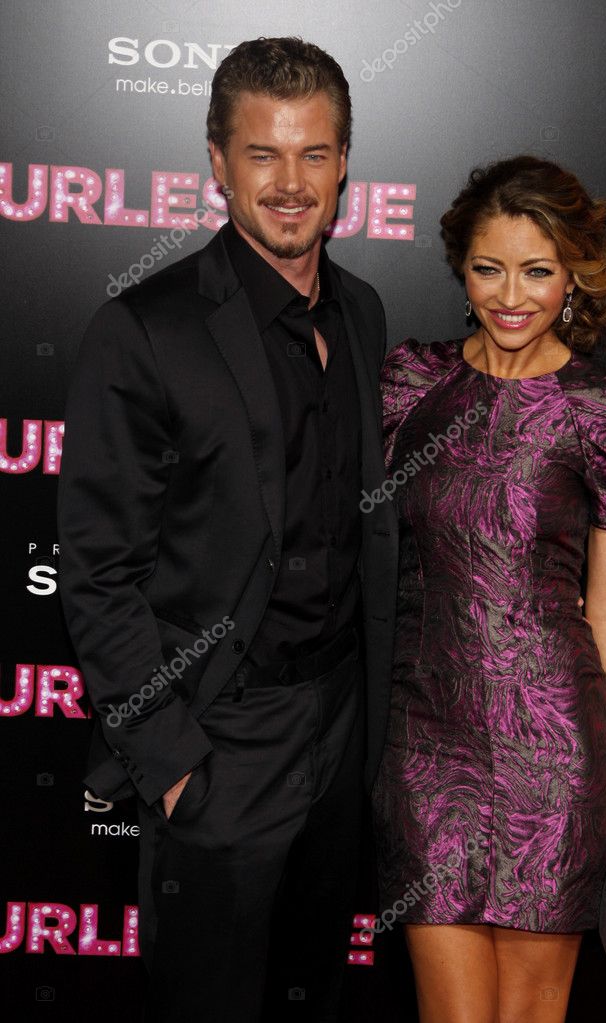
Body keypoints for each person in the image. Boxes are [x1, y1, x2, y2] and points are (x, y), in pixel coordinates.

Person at [57, 37, 398, 1023]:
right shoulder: (145, 329)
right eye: (262, 154)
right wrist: (172, 765)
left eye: (314, 153)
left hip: (341, 731)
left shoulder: (362, 312)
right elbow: (98, 572)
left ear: (344, 163)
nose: (290, 184)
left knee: (312, 996)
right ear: (216, 161)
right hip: (220, 739)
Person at [371, 156, 606, 1023]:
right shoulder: (410, 386)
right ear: (460, 270)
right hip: (426, 743)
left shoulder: (602, 412)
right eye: (487, 268)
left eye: (536, 271)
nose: (510, 296)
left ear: (573, 274)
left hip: (554, 754)